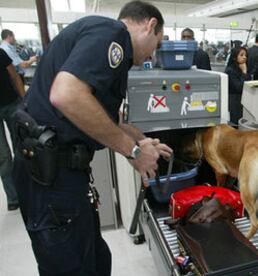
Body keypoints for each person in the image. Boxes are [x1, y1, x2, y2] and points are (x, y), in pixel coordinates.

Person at [12, 1, 173, 275]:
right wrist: (133, 153)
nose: (152, 56)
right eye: (156, 46)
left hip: (62, 177)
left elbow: (108, 117)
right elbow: (66, 95)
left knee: (96, 260)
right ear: (150, 25)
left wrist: (142, 141)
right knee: (73, 266)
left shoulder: (104, 42)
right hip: (51, 180)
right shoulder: (112, 34)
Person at [0, 48, 25, 211]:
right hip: (10, 105)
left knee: (21, 148)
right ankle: (13, 198)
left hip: (11, 104)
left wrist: (24, 98)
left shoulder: (0, 53)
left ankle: (25, 190)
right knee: (3, 156)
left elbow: (14, 75)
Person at [225, 47, 251, 125]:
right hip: (234, 102)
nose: (244, 57)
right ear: (235, 57)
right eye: (241, 55)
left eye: (245, 55)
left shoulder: (243, 67)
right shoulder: (230, 70)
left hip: (244, 101)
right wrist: (244, 72)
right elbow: (239, 87)